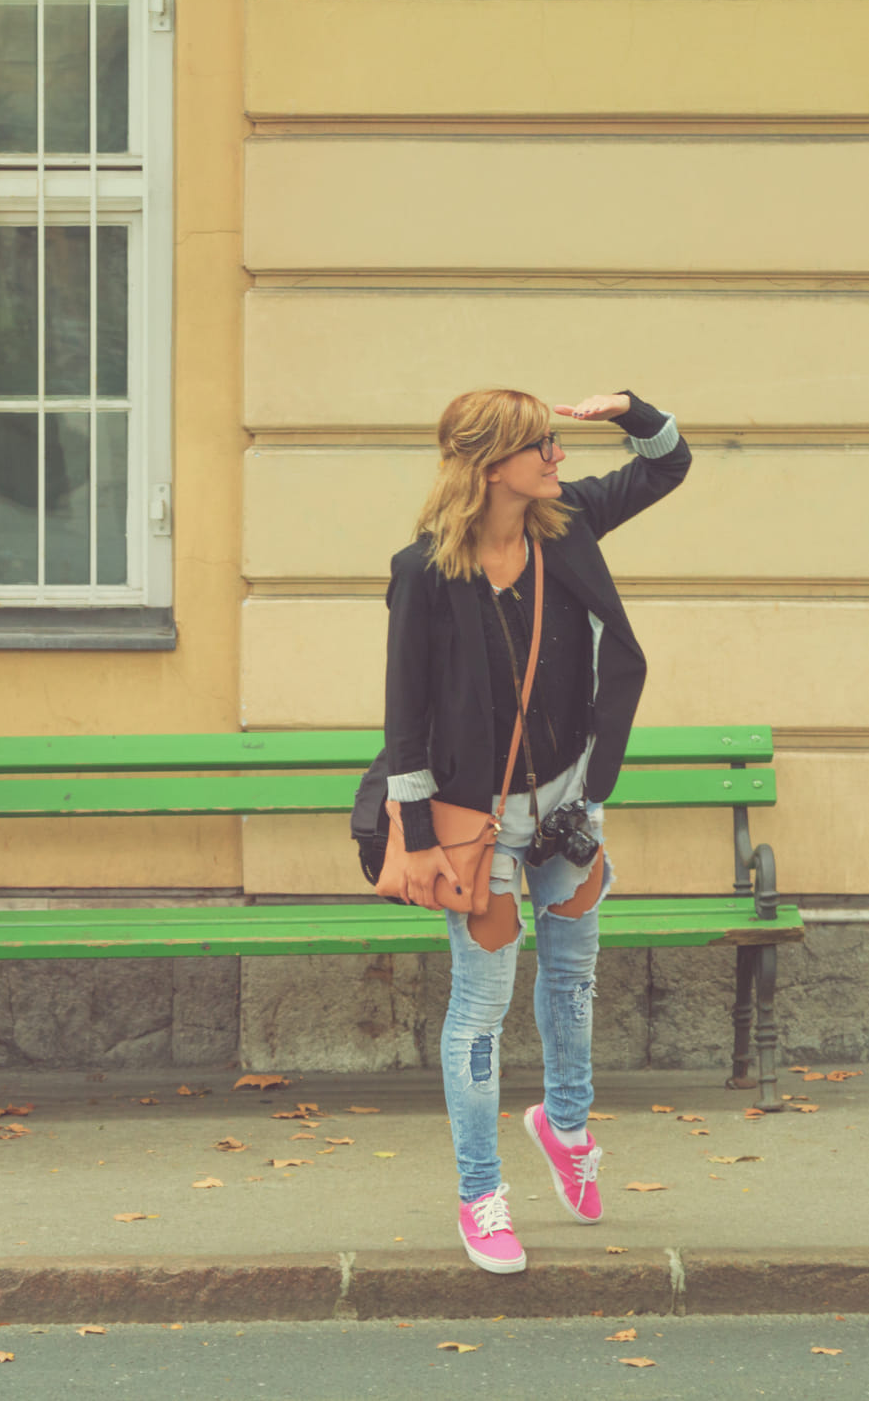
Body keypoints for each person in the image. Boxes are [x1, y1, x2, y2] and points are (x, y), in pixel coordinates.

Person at [382, 388, 689, 1274]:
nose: (558, 458)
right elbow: (404, 721)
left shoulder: (570, 524)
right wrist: (419, 837)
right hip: (478, 825)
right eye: (540, 447)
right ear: (490, 466)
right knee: (479, 1011)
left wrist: (630, 408)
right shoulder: (425, 573)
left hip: (568, 809)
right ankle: (479, 1195)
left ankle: (563, 1127)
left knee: (574, 985)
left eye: (558, 444)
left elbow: (666, 462)